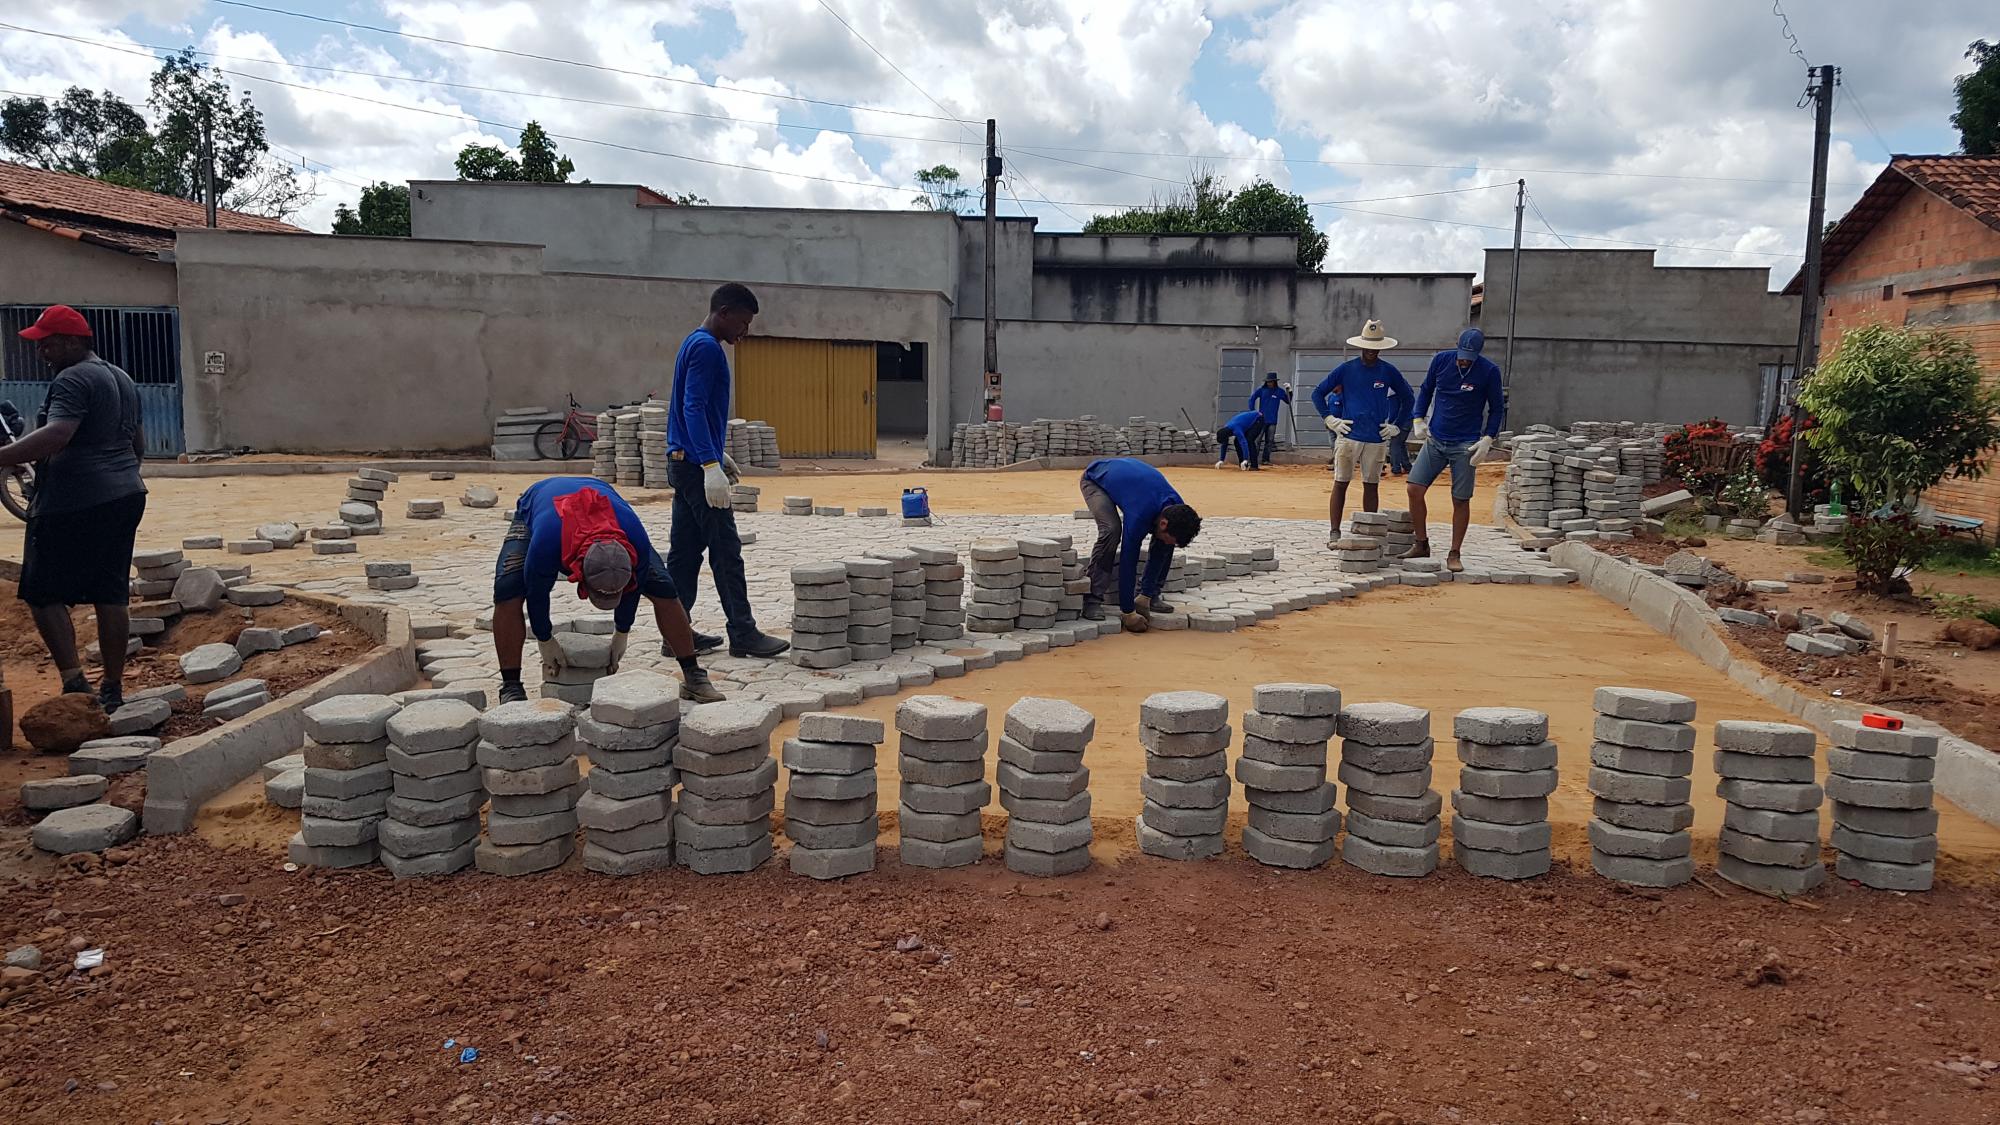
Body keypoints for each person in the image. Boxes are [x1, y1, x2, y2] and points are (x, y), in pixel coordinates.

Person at [0, 305, 145, 712]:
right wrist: (115, 482)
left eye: (47, 342)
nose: (41, 350)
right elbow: (138, 447)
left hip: (72, 501)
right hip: (126, 494)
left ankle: (75, 684)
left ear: (73, 341)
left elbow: (58, 434)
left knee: (42, 592)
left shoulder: (73, 376)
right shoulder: (122, 377)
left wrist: (4, 455)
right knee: (110, 592)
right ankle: (113, 691)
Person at [492, 476, 721, 704]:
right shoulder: (546, 543)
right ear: (581, 575)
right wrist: (544, 638)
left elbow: (636, 586)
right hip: (541, 505)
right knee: (508, 588)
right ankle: (511, 686)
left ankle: (693, 675)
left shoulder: (635, 539)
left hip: (605, 502)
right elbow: (537, 592)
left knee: (664, 588)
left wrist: (622, 632)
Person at [665, 282, 789, 659]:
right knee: (726, 549)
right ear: (724, 313)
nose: (745, 331)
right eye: (743, 322)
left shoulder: (694, 342)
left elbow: (691, 410)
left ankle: (676, 634)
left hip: (682, 461)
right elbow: (693, 407)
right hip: (693, 465)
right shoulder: (706, 349)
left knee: (685, 554)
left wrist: (718, 454)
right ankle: (743, 633)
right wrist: (708, 464)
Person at [1406, 327, 1506, 572]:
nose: (1463, 361)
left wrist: (1488, 439)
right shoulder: (1441, 361)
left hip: (1466, 444)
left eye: (1469, 358)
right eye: (1462, 355)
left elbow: (1496, 408)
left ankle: (1454, 552)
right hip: (1436, 438)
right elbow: (1426, 389)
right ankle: (1421, 543)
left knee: (1460, 499)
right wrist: (1418, 418)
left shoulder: (1489, 371)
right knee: (1414, 488)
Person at [1312, 320, 1413, 544]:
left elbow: (1408, 398)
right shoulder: (1346, 370)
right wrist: (1330, 419)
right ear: (1361, 346)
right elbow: (1318, 393)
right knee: (1341, 482)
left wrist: (1396, 424)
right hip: (1349, 435)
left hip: (1376, 437)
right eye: (1367, 346)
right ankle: (1335, 531)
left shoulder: (1388, 372)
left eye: (1374, 347)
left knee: (1371, 485)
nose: (1370, 351)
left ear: (1380, 347)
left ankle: (1369, 531)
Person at [1077, 457, 1202, 632]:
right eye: (1170, 538)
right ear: (1163, 523)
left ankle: (1150, 594)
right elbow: (1128, 562)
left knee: (1164, 543)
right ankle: (1093, 599)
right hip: (1095, 479)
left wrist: (1145, 596)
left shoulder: (1177, 508)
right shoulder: (1139, 515)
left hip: (1133, 481)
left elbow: (1164, 546)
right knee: (1112, 531)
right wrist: (1128, 611)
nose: (1169, 544)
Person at [1248, 372, 1292, 466]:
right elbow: (1252, 399)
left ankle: (1265, 459)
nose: (1269, 383)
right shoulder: (1262, 390)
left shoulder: (1279, 391)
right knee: (1257, 440)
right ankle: (1253, 459)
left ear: (1274, 382)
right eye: (1268, 382)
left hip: (1272, 420)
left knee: (1270, 441)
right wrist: (1253, 411)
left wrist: (1290, 391)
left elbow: (1288, 401)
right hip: (1261, 419)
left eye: (1271, 382)